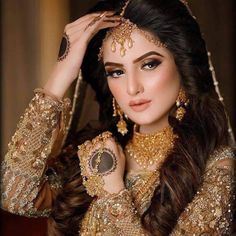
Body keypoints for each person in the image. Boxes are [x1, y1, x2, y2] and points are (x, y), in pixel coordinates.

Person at [1, 0, 235, 235]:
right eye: (117, 72)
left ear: (181, 66)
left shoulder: (215, 167)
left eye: (149, 64)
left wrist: (113, 192)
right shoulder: (93, 152)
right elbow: (14, 195)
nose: (132, 88)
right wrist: (61, 75)